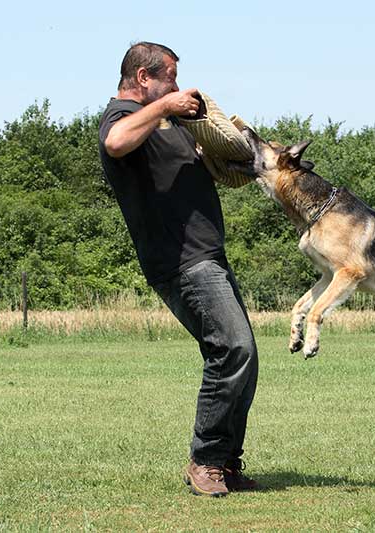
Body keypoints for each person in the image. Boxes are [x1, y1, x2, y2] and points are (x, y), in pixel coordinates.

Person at [98, 42, 258, 497]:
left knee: (242, 358)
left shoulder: (171, 123)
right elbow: (115, 143)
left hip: (208, 255)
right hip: (181, 260)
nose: (176, 85)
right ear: (143, 78)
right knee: (233, 349)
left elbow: (217, 163)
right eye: (168, 76)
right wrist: (166, 104)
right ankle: (205, 460)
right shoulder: (121, 115)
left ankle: (225, 463)